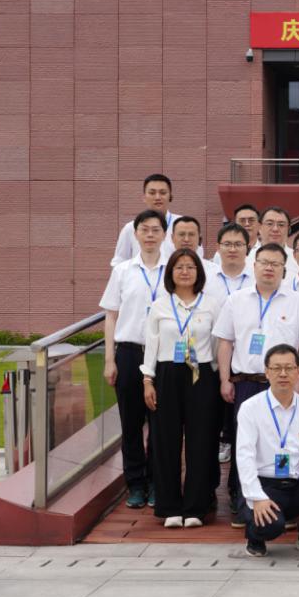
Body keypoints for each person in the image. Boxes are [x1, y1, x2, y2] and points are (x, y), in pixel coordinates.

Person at [212, 242, 299, 525]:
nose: (269, 268)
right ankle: (242, 502)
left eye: (275, 264)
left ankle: (283, 503)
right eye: (264, 262)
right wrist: (225, 379)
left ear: (284, 268)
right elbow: (225, 341)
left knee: (282, 441)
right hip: (246, 382)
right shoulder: (236, 300)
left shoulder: (297, 302)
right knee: (246, 443)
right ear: (253, 266)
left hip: (283, 385)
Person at [140, 248, 221, 528]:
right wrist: (148, 380)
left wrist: (214, 374)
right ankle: (169, 506)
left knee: (202, 440)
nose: (185, 272)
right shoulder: (160, 306)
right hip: (167, 374)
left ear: (199, 272)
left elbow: (216, 343)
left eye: (190, 267)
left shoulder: (211, 304)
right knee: (165, 440)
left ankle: (196, 507)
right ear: (170, 273)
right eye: (179, 267)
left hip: (201, 373)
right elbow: (151, 343)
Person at [235, 344, 299, 558]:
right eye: (276, 368)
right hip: (263, 485)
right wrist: (257, 497)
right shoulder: (250, 408)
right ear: (267, 372)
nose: (283, 374)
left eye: (289, 368)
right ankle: (254, 536)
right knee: (272, 527)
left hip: (294, 484)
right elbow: (244, 456)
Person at [100, 210, 168, 509]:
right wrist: (109, 359)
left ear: (164, 234)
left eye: (156, 229)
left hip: (164, 356)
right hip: (129, 353)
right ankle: (136, 485)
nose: (150, 235)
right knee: (131, 424)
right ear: (135, 234)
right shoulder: (123, 271)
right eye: (144, 229)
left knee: (160, 424)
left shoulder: (173, 269)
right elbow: (111, 316)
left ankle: (156, 483)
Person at [204, 223, 253, 467]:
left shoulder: (257, 278)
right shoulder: (206, 280)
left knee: (242, 422)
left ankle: (238, 480)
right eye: (227, 244)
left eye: (238, 244)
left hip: (247, 362)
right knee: (210, 418)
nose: (232, 249)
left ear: (248, 247)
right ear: (218, 247)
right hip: (212, 357)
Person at [111, 173, 182, 266]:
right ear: (144, 197)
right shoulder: (131, 228)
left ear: (170, 196)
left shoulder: (183, 225)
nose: (157, 197)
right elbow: (119, 262)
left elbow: (196, 256)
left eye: (163, 193)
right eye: (152, 193)